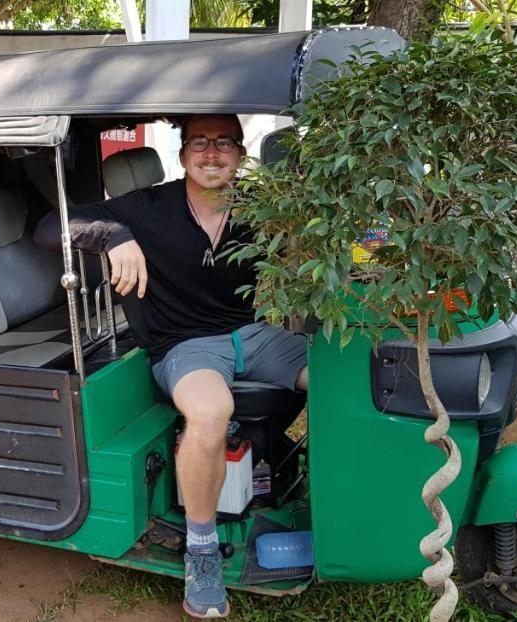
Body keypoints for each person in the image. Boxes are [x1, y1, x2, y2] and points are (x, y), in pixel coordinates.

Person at [36, 115, 307, 619]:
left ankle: (337, 505)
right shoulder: (148, 207)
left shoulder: (260, 210)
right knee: (210, 413)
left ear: (241, 156)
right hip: (186, 348)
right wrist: (114, 236)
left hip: (255, 335)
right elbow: (49, 226)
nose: (211, 153)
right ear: (183, 155)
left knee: (346, 381)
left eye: (224, 143)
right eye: (199, 143)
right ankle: (201, 551)